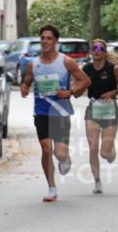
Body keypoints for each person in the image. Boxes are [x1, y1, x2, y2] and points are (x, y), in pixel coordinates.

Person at [20, 24, 90, 202]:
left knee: (59, 153)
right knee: (45, 149)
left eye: (49, 38)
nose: (45, 41)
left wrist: (70, 92)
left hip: (60, 112)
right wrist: (24, 88)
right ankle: (51, 187)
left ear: (56, 41)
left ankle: (65, 157)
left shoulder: (66, 61)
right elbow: (26, 82)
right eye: (42, 38)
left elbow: (85, 80)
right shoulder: (33, 64)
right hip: (42, 112)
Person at [82, 39, 118, 194]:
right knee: (93, 147)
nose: (97, 50)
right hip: (93, 110)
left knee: (105, 153)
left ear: (104, 52)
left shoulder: (113, 69)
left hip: (110, 111)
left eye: (100, 48)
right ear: (91, 51)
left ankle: (111, 152)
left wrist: (114, 92)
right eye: (94, 48)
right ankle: (97, 181)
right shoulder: (86, 69)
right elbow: (77, 84)